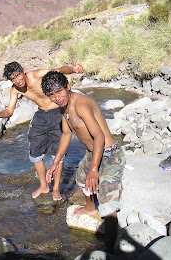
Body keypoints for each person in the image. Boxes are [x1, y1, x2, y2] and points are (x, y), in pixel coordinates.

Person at [41, 71, 125, 252]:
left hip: (110, 153)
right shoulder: (63, 108)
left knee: (107, 203)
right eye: (52, 95)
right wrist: (55, 163)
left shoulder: (82, 104)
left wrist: (94, 169)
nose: (57, 98)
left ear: (68, 87)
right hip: (91, 151)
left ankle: (110, 251)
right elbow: (66, 134)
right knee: (82, 178)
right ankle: (89, 208)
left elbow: (99, 136)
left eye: (59, 92)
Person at [0, 61, 84, 200]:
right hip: (41, 115)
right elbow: (9, 111)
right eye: (12, 78)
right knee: (35, 151)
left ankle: (56, 188)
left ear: (23, 70)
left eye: (18, 75)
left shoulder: (37, 75)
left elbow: (58, 70)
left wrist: (73, 70)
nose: (17, 80)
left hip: (59, 112)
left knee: (58, 151)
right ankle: (44, 186)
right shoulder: (15, 89)